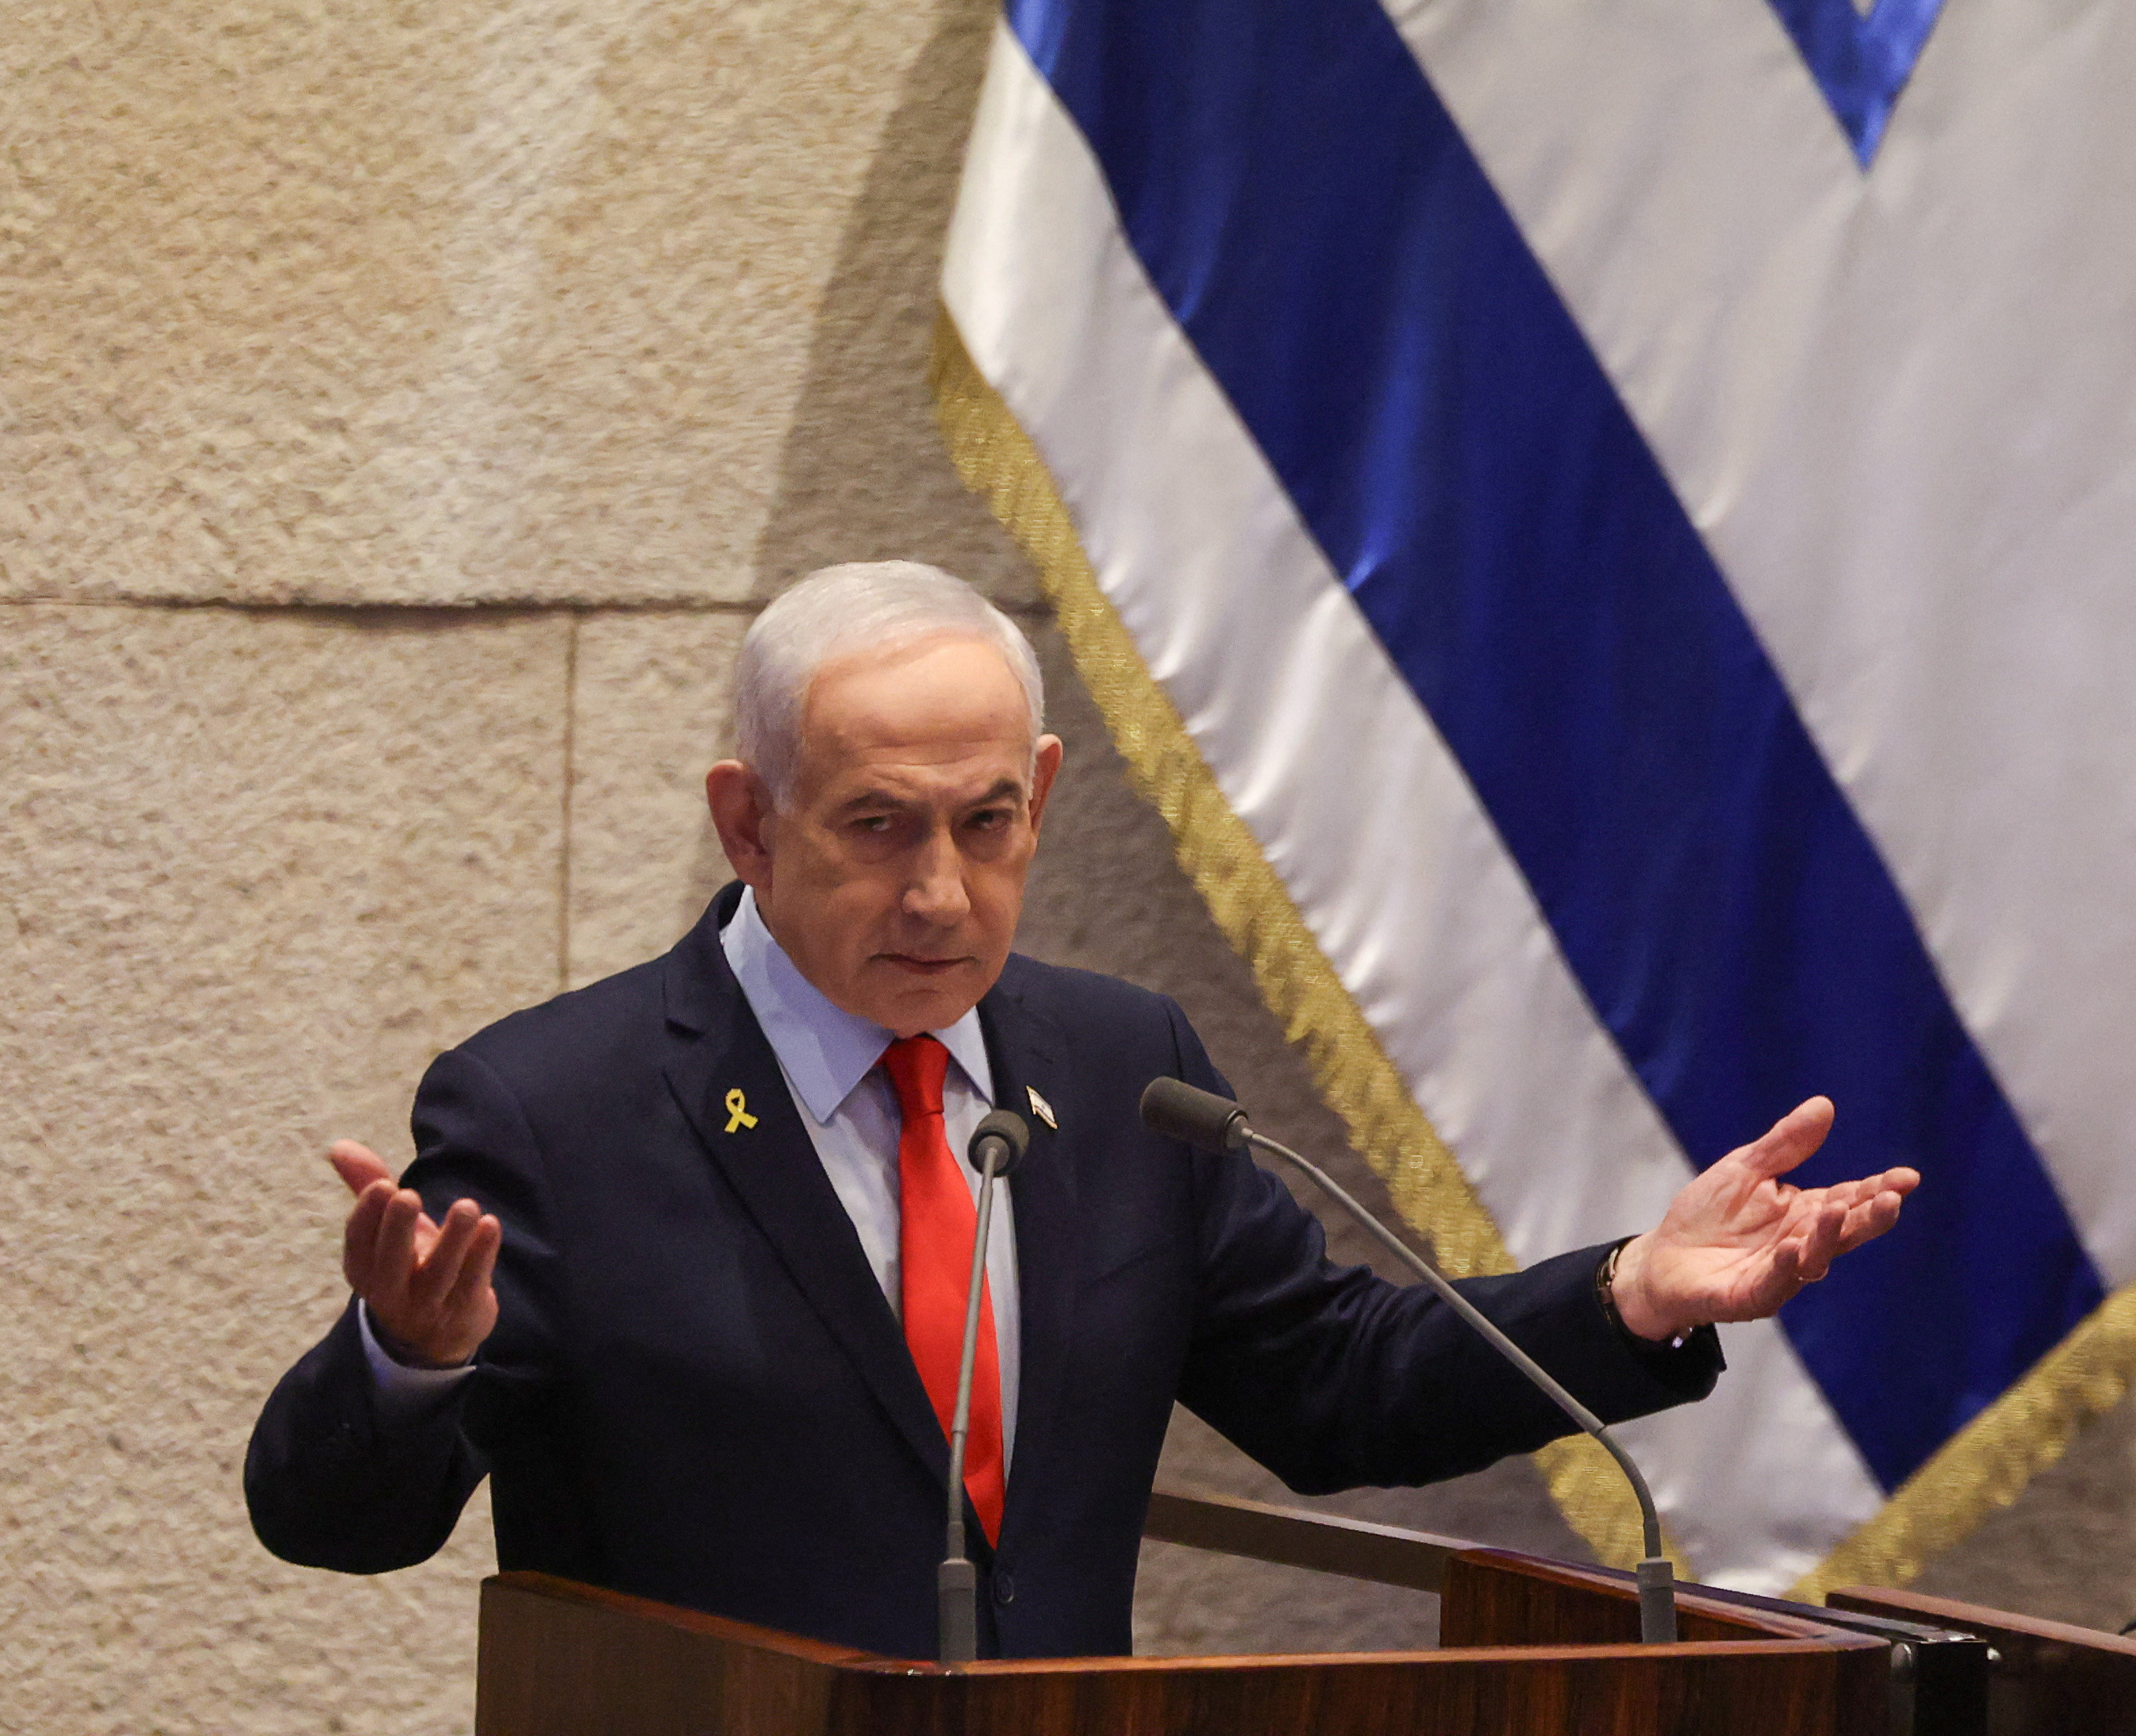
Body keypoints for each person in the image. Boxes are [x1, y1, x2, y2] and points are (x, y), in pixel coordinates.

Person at [245, 561, 1916, 1658]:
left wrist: (1630, 1292)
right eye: (879, 826)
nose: (944, 893)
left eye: (986, 822)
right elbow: (330, 1522)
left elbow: (1335, 1388)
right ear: (748, 824)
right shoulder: (557, 1107)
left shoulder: (1125, 1073)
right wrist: (408, 1361)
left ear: (1040, 792)